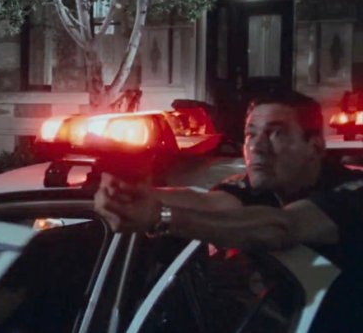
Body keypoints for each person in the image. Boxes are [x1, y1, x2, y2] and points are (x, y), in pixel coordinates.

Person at [94, 91, 363, 330]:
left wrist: (160, 217)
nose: (258, 146)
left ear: (315, 146)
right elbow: (210, 204)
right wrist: (131, 195)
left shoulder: (351, 193)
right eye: (250, 134)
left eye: (276, 133)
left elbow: (282, 227)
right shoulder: (258, 189)